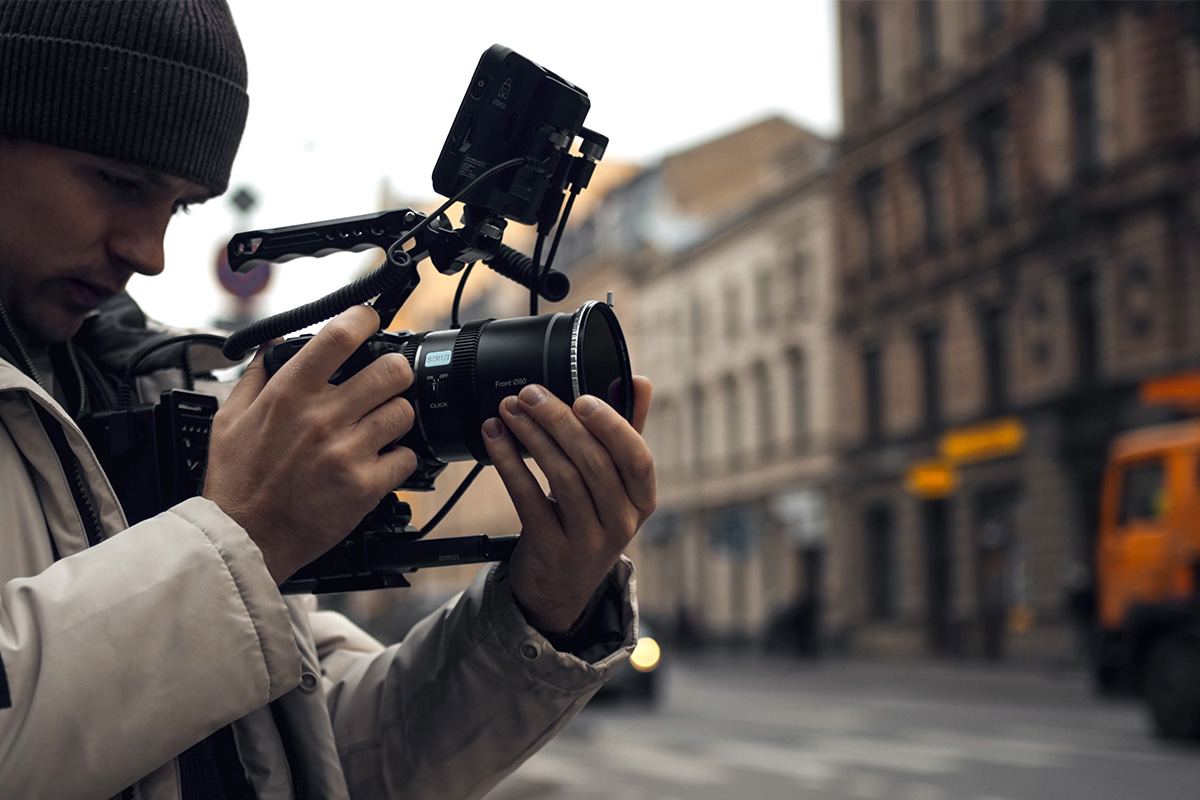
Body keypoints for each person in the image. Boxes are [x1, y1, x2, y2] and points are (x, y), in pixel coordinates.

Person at [0, 2, 656, 798]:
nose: (149, 252)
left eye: (177, 206)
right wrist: (241, 539)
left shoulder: (141, 381)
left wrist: (545, 606)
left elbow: (330, 752)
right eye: (118, 182)